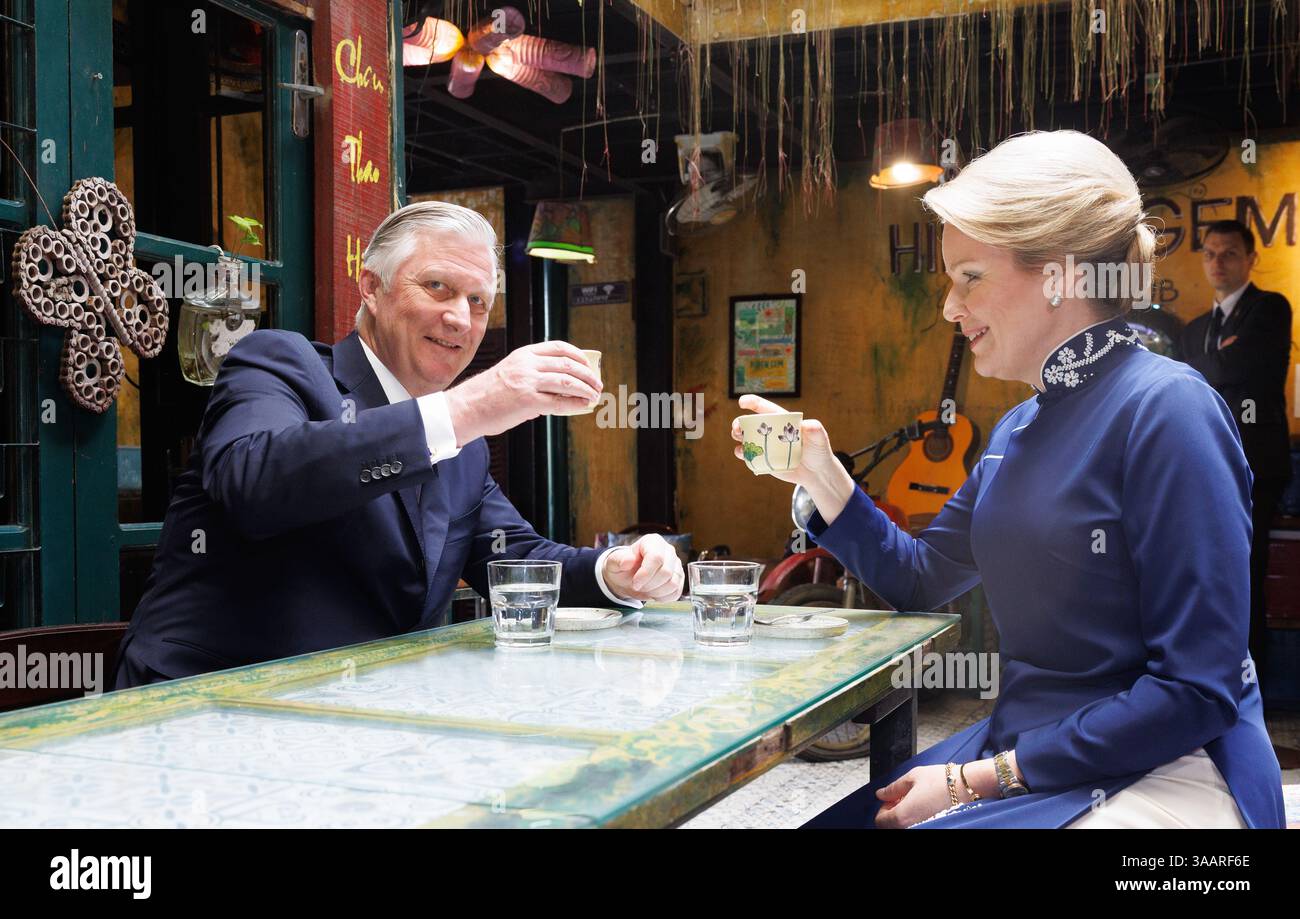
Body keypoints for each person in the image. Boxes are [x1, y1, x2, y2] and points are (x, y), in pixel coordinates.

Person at [735, 131, 1285, 828]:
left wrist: (980, 778)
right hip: (1026, 746)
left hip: (1167, 764)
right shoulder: (1017, 429)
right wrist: (822, 471)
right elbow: (922, 577)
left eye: (970, 277)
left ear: (1060, 274)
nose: (948, 307)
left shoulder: (1170, 410)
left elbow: (1195, 694)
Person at [114, 201, 683, 687]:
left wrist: (618, 570)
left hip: (371, 723)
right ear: (372, 288)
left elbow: (514, 558)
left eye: (479, 301)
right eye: (437, 286)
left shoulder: (462, 443)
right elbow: (255, 483)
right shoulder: (278, 362)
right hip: (209, 711)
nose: (460, 318)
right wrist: (468, 408)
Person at [1180, 220, 1294, 705]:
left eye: (1229, 253)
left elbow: (1251, 372)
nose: (1218, 263)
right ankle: (1207, 692)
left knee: (1245, 576)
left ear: (1250, 259)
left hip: (1256, 465)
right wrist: (1223, 365)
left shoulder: (1269, 309)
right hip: (1204, 466)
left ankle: (1252, 702)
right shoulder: (1196, 329)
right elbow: (1194, 386)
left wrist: (1221, 368)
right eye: (1209, 254)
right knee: (1202, 578)